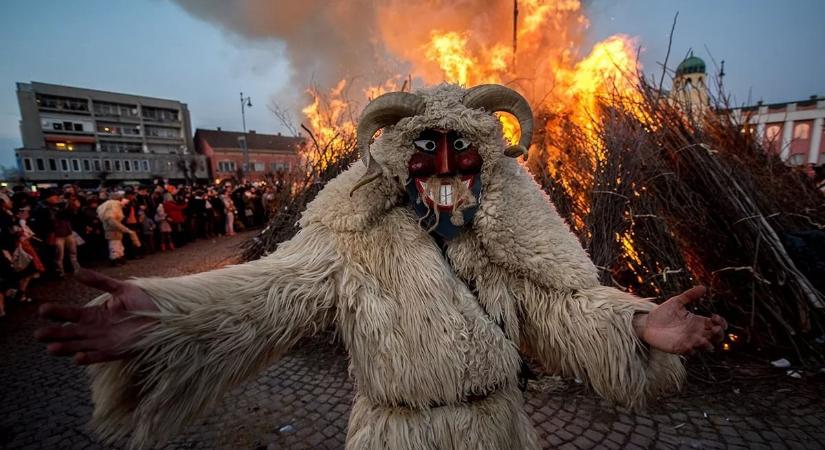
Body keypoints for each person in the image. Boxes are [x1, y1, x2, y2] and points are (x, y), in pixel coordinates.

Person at [36, 84, 727, 449]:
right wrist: (162, 317)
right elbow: (269, 292)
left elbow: (561, 308)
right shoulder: (354, 237)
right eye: (428, 149)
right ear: (399, 160)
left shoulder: (501, 242)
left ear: (487, 159)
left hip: (497, 433)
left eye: (465, 150)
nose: (448, 166)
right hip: (399, 438)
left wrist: (635, 326)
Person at [97, 191, 139, 266]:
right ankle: (114, 259)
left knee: (118, 245)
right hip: (112, 230)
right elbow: (112, 221)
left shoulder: (113, 206)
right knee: (114, 245)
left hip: (116, 230)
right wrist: (124, 229)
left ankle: (119, 258)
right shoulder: (111, 206)